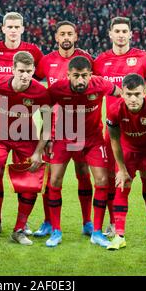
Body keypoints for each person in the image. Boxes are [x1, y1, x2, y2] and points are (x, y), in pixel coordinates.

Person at [93, 16, 146, 239]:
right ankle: (114, 224)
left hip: (142, 128)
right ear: (110, 34)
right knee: (116, 178)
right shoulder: (100, 62)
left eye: (125, 31)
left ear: (131, 34)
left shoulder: (144, 58)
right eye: (117, 31)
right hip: (113, 130)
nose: (121, 35)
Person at [46, 56, 121, 248]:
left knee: (102, 180)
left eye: (85, 76)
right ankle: (56, 230)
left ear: (91, 75)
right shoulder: (57, 89)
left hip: (92, 139)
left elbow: (121, 94)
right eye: (76, 76)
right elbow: (45, 108)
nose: (81, 80)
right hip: (64, 138)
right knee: (54, 181)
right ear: (68, 75)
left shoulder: (100, 84)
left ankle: (95, 229)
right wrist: (47, 135)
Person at [0, 12, 44, 235]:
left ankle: (21, 226)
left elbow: (49, 119)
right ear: (13, 69)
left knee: (29, 180)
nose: (25, 75)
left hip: (26, 136)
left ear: (34, 71)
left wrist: (40, 149)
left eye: (29, 71)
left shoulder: (40, 91)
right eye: (21, 71)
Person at [33, 21, 95, 238]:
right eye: (62, 34)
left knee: (83, 174)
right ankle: (48, 222)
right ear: (56, 37)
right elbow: (33, 88)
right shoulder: (46, 61)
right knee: (50, 178)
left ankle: (88, 222)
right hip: (55, 130)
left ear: (76, 36)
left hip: (82, 129)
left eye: (70, 33)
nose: (66, 37)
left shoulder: (87, 60)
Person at [106, 73, 146, 252]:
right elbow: (114, 141)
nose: (133, 99)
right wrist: (121, 168)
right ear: (122, 94)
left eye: (137, 94)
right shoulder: (115, 109)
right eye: (128, 94)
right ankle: (119, 235)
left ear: (144, 93)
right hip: (129, 151)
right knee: (122, 184)